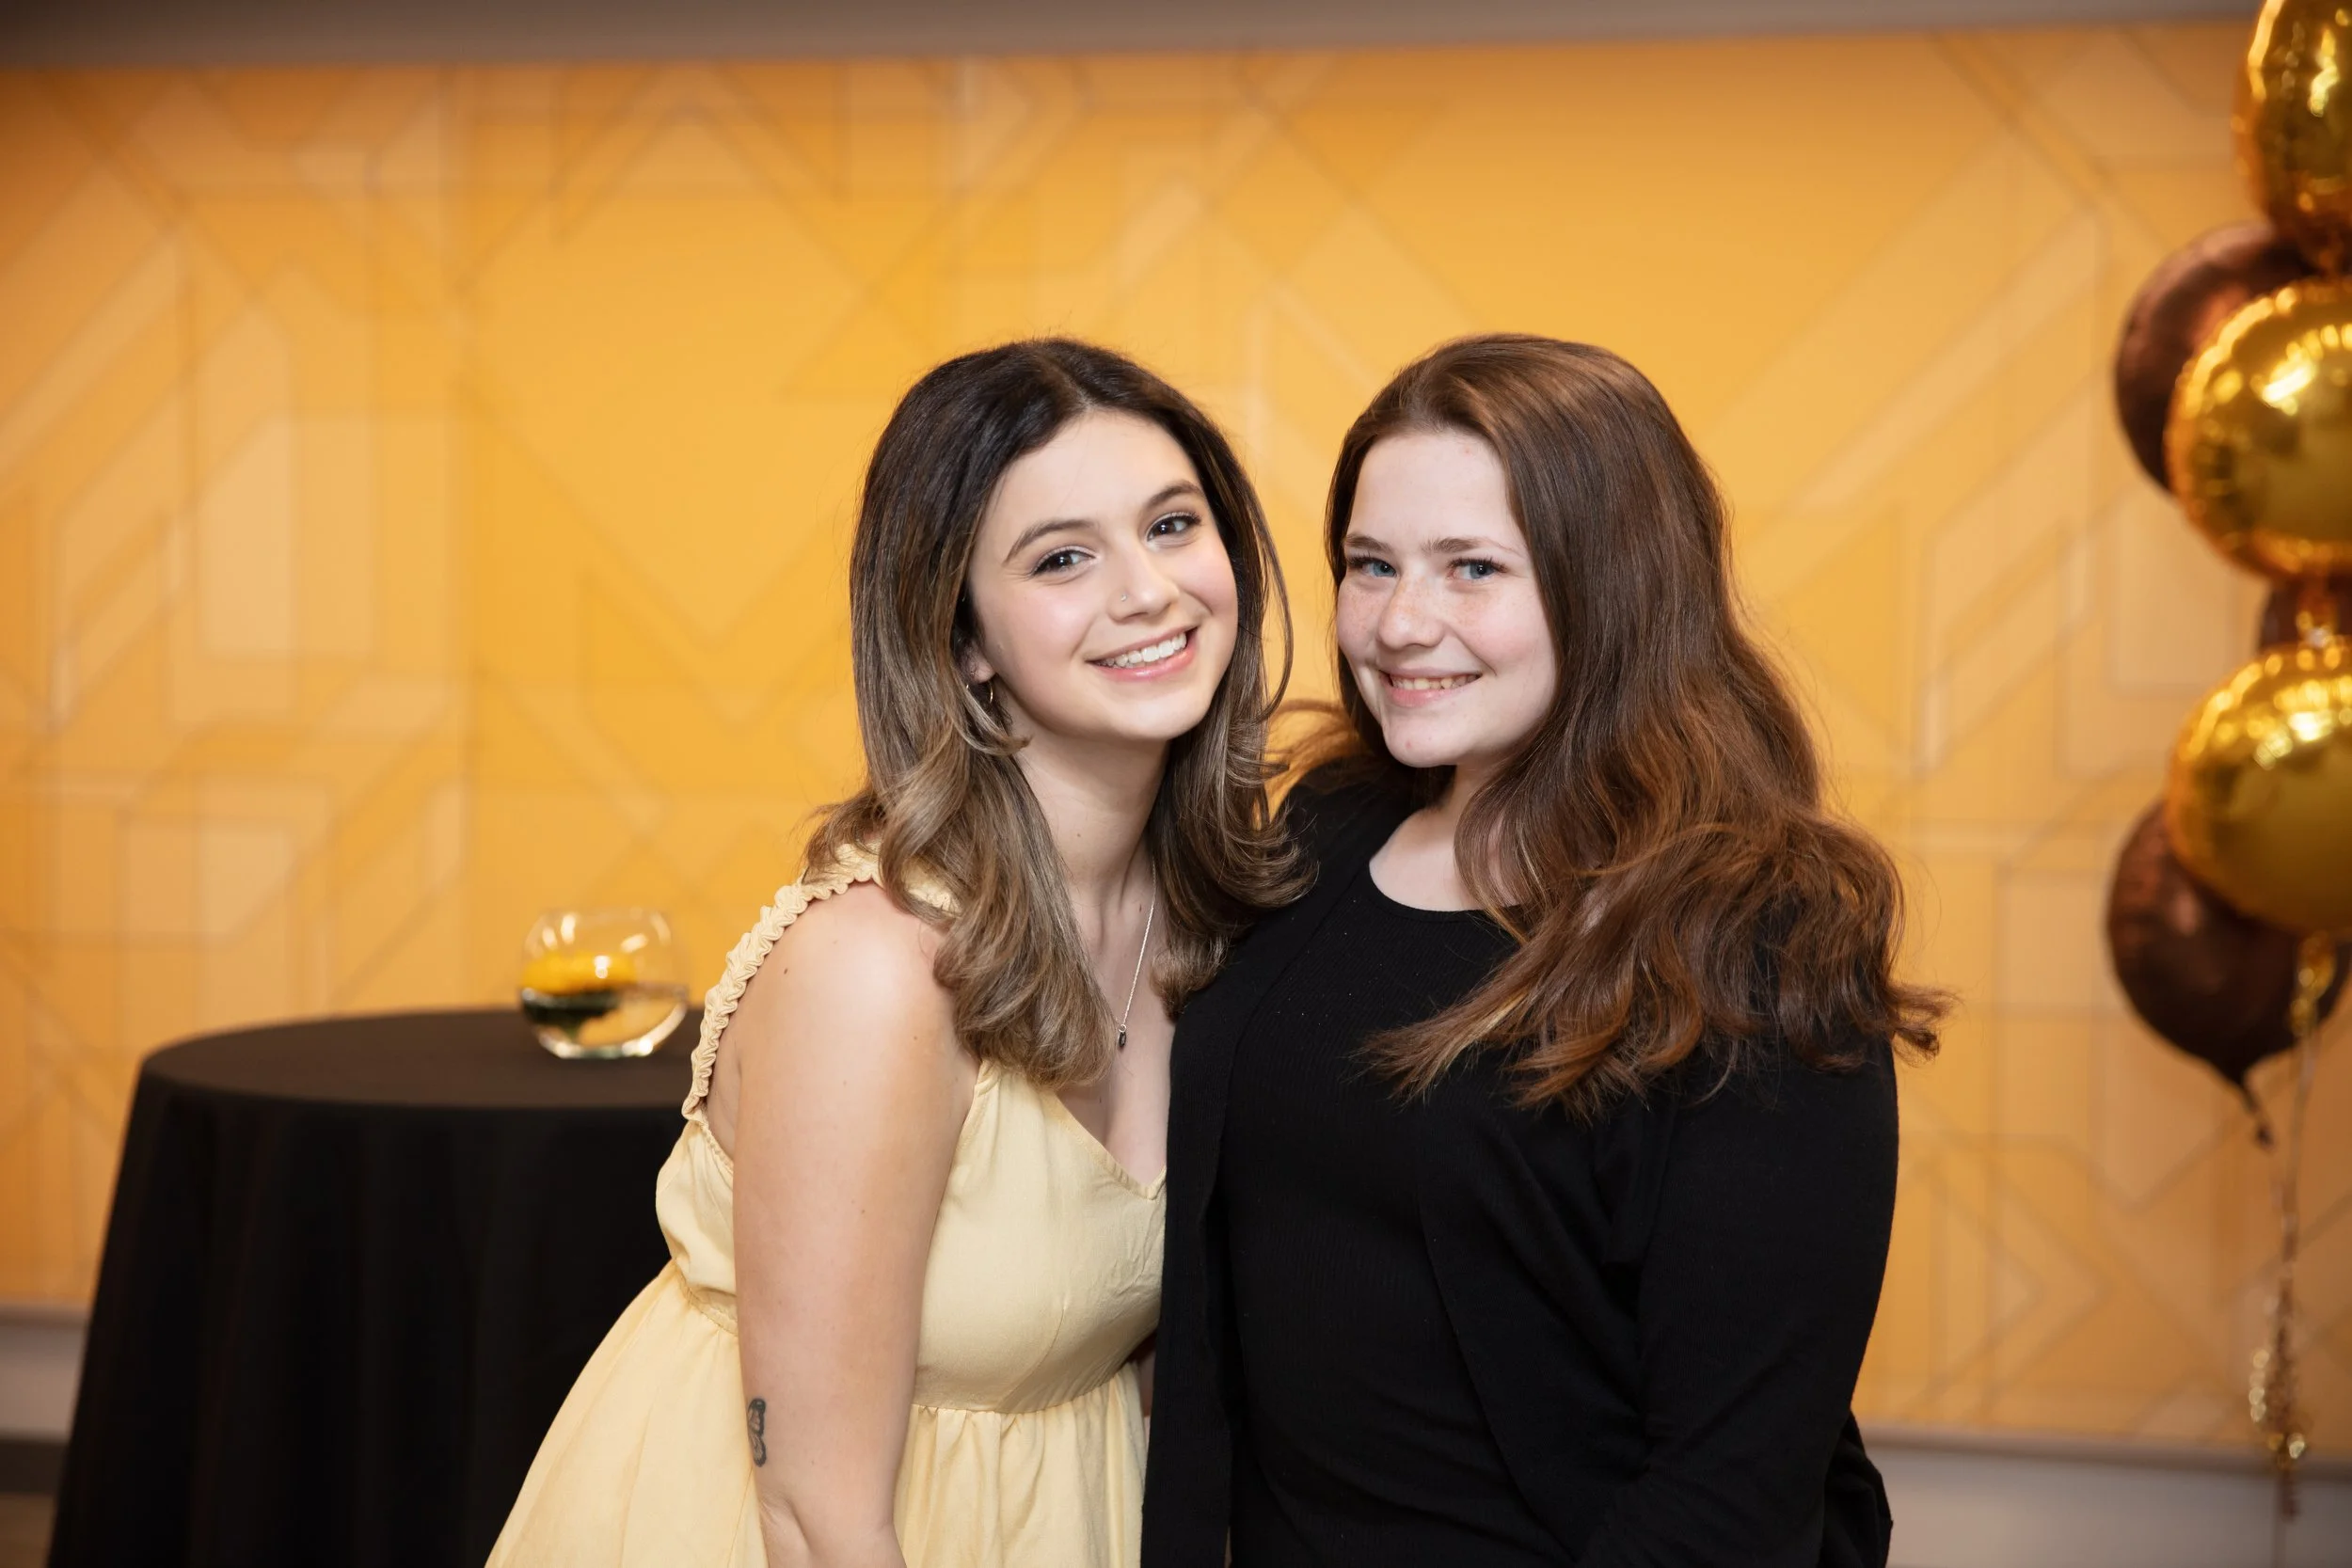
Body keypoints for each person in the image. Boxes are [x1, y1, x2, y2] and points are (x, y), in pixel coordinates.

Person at [490, 339, 1301, 1568]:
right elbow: (815, 1518)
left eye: (1171, 525)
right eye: (1063, 557)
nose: (1149, 590)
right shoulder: (876, 973)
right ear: (963, 639)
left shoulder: (1215, 919)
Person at [1144, 334, 1947, 1568]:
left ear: (1612, 584)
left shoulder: (1755, 943)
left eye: (1472, 568)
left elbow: (1727, 1497)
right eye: (1371, 564)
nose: (1401, 623)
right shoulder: (1324, 831)